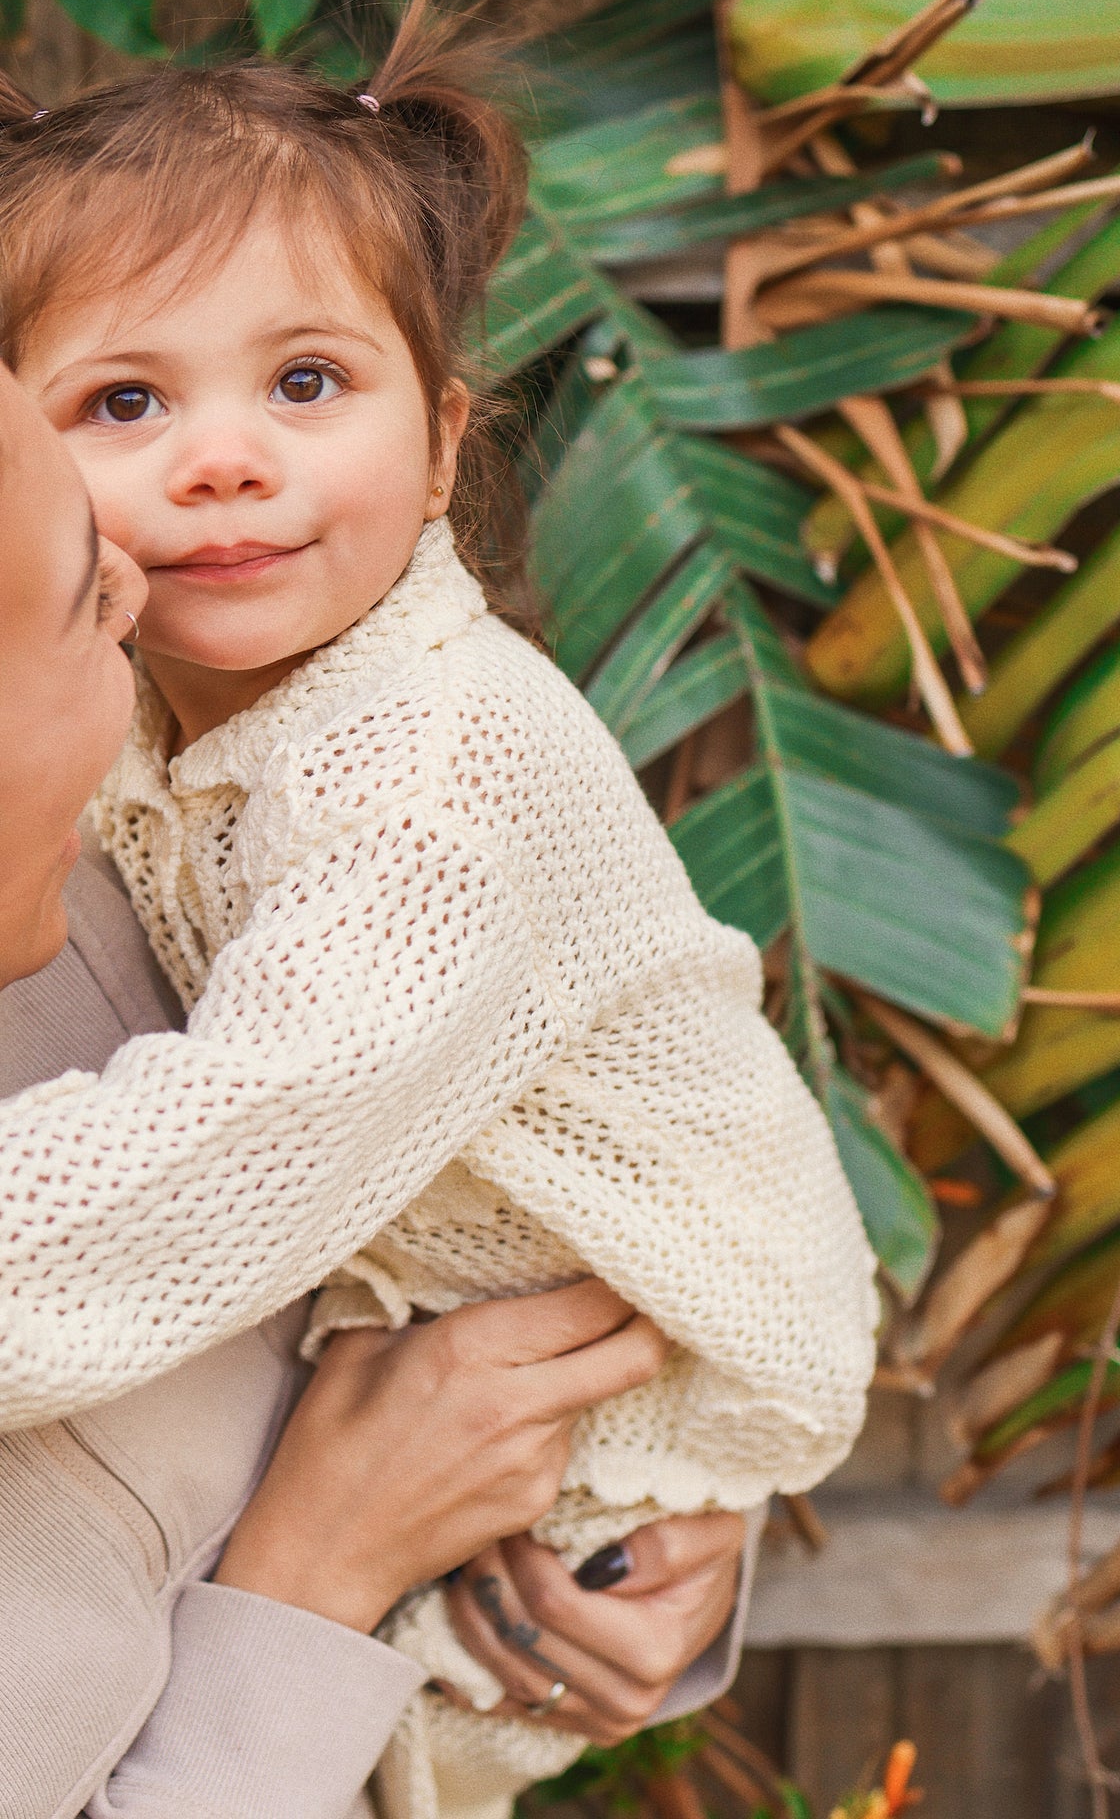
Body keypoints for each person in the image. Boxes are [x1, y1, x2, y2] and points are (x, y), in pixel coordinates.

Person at [1, 0, 875, 1818]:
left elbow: (225, 1165)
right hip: (417, 1384)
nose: (225, 456)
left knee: (458, 1716)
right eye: (126, 400)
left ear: (445, 445)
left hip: (622, 1366)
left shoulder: (436, 785)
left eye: (306, 382)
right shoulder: (150, 714)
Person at [0, 367, 758, 1819]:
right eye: (73, 599)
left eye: (306, 380)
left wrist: (646, 1504)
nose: (129, 601)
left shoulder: (125, 862)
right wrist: (317, 1580)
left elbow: (478, 1183)